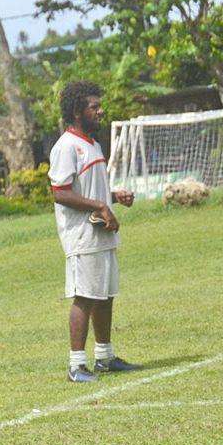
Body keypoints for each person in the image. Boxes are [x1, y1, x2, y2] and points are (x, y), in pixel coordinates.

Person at [49, 81, 141, 382]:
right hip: (82, 235)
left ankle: (104, 357)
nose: (100, 111)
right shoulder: (66, 146)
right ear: (78, 111)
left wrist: (113, 197)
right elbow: (60, 193)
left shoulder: (93, 144)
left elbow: (87, 189)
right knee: (84, 296)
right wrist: (100, 207)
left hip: (102, 233)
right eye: (94, 107)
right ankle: (76, 366)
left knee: (104, 295)